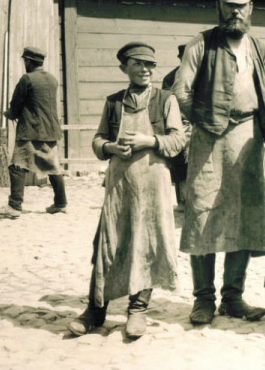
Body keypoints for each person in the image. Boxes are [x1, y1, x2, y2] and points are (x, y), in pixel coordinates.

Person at [68, 42, 186, 339]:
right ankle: (95, 311)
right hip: (119, 184)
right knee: (108, 245)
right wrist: (110, 147)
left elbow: (178, 140)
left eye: (149, 65)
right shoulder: (114, 102)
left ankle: (138, 310)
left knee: (147, 244)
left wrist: (150, 141)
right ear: (125, 68)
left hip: (154, 184)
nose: (145, 70)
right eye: (138, 64)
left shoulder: (166, 100)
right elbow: (97, 140)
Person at [173, 0, 265, 325]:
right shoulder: (201, 44)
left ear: (251, 9)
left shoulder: (259, 48)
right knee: (203, 211)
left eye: (241, 6)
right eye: (229, 5)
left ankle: (233, 297)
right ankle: (203, 300)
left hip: (248, 139)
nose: (235, 12)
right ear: (218, 7)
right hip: (208, 140)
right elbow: (181, 91)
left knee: (244, 214)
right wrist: (206, 120)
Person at [0, 47, 67, 218]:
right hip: (51, 132)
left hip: (31, 131)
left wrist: (9, 114)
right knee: (53, 168)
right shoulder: (52, 80)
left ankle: (14, 207)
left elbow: (16, 105)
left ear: (28, 61)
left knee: (17, 166)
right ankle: (61, 204)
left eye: (25, 61)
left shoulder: (27, 79)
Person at [162, 44, 189, 204]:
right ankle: (182, 200)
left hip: (199, 123)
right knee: (180, 161)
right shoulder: (171, 78)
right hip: (180, 123)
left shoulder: (204, 74)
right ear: (180, 59)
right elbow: (167, 103)